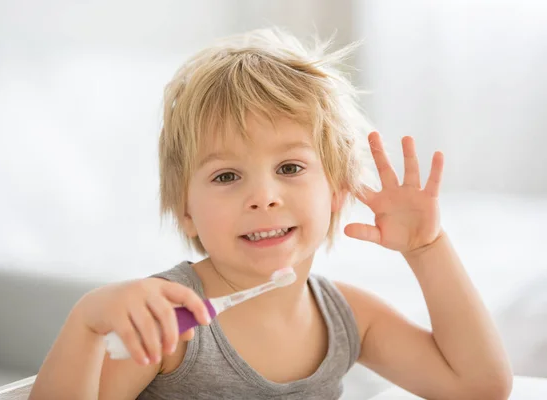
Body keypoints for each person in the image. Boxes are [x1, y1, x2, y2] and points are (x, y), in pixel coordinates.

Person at [29, 27, 512, 399]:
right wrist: (86, 325)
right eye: (226, 176)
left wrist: (428, 249)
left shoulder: (348, 318)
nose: (263, 197)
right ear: (186, 213)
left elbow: (479, 387)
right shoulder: (171, 324)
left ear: (339, 193)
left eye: (290, 167)